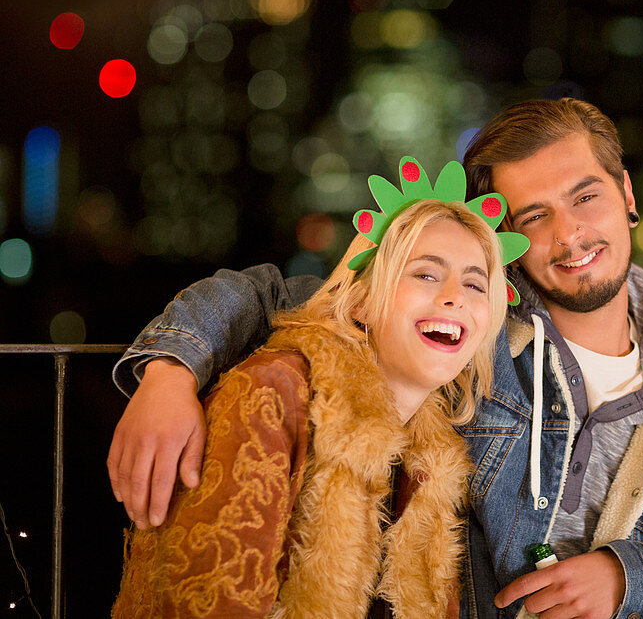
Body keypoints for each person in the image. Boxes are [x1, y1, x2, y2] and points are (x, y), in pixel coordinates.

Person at [109, 98, 643, 618]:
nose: (569, 234)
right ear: (507, 235)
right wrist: (169, 370)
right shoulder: (468, 329)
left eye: (586, 196)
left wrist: (629, 578)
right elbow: (277, 294)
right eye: (534, 215)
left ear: (627, 194)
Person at [111, 160, 517, 617]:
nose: (454, 296)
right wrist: (168, 368)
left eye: (474, 283)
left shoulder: (432, 455)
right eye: (425, 273)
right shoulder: (275, 393)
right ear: (361, 302)